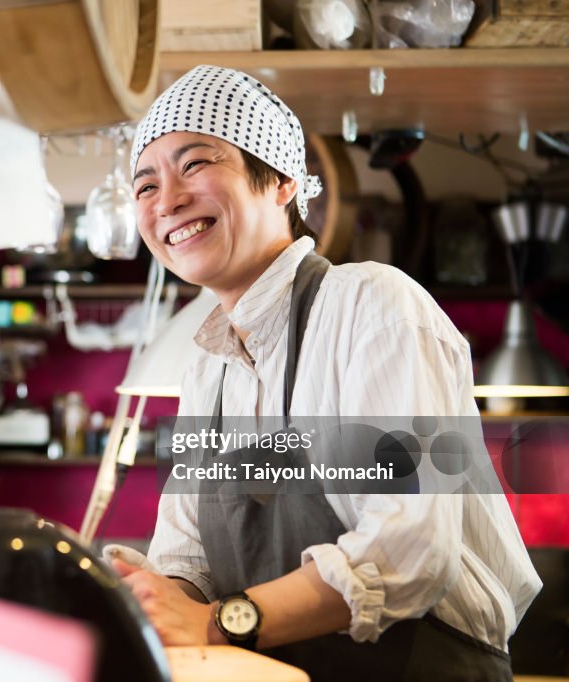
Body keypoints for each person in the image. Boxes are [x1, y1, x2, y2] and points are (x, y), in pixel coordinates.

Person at [113, 65, 541, 681]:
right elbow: (188, 556)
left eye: (196, 164)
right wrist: (155, 600)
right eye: (145, 185)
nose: (168, 199)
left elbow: (409, 546)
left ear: (283, 180)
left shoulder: (373, 305)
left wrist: (215, 623)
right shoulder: (207, 369)